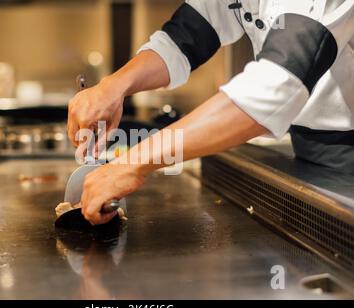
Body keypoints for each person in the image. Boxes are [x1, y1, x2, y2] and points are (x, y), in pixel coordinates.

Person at [67, 0, 354, 225]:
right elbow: (183, 39)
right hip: (310, 150)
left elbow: (274, 88)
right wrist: (113, 86)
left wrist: (133, 162)